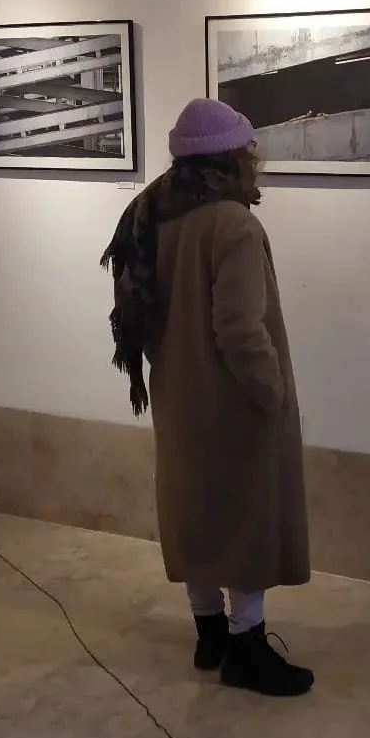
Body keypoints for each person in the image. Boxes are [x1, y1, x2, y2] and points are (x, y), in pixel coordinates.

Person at [100, 98, 313, 698]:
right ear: (232, 157)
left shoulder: (151, 215)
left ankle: (209, 633)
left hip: (179, 395)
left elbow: (137, 315)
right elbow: (240, 329)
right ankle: (247, 648)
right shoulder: (234, 225)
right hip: (234, 401)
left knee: (194, 511)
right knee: (247, 517)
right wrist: (272, 393)